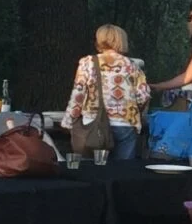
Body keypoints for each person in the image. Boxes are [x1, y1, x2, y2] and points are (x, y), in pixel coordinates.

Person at [61, 24, 151, 159]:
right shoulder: (132, 65)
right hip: (125, 125)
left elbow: (78, 95)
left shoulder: (87, 63)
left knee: (93, 171)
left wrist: (68, 121)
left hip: (93, 124)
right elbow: (143, 96)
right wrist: (136, 113)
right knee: (123, 173)